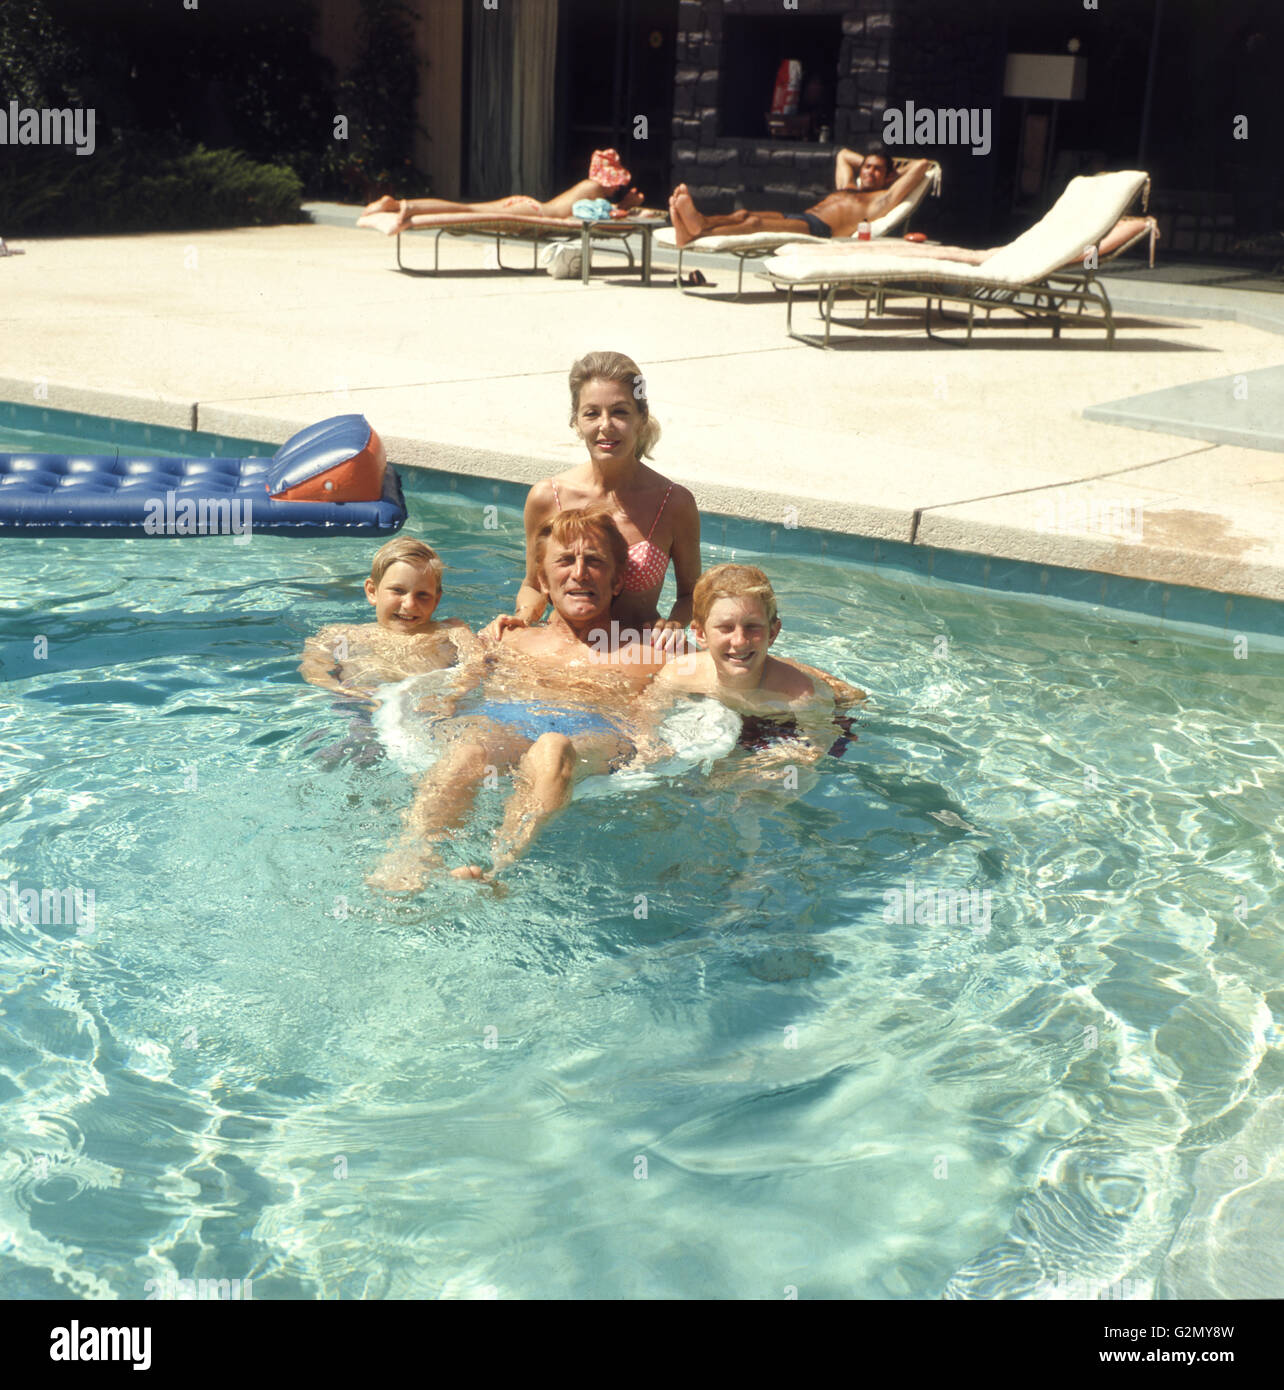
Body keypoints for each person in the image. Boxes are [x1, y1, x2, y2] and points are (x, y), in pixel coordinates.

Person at [368, 506, 675, 890]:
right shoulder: (505, 638)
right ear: (543, 581)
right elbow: (444, 675)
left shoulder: (649, 653)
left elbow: (664, 711)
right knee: (469, 751)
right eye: (564, 561)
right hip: (505, 724)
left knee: (551, 748)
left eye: (595, 561)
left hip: (595, 734)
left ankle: (499, 870)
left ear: (616, 582)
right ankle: (411, 856)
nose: (579, 572)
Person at [483, 351, 700, 653]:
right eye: (592, 413)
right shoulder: (547, 497)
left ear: (641, 419)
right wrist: (523, 617)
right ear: (576, 421)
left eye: (620, 412)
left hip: (637, 658)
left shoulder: (674, 503)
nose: (606, 425)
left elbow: (692, 594)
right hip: (564, 652)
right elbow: (534, 584)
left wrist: (675, 625)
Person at [645, 563, 865, 772]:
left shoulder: (800, 696)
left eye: (752, 627)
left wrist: (760, 767)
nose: (740, 640)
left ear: (773, 632)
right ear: (700, 634)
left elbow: (816, 747)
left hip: (785, 722)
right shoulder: (678, 675)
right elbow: (645, 718)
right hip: (739, 710)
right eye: (726, 627)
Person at [299, 536, 480, 699]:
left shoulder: (451, 631)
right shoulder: (342, 635)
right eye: (398, 591)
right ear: (372, 591)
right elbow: (314, 668)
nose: (409, 604)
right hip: (358, 707)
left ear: (436, 600)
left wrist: (455, 694)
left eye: (422, 595)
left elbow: (478, 664)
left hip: (430, 707)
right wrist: (346, 692)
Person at [667, 148, 930, 247]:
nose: (870, 171)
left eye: (877, 169)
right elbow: (843, 155)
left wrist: (892, 176)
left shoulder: (881, 198)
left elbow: (922, 165)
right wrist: (870, 162)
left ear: (888, 176)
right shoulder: (849, 185)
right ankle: (698, 222)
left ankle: (697, 232)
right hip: (804, 216)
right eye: (867, 167)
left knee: (754, 226)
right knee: (743, 214)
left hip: (819, 229)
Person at [358, 148, 645, 236]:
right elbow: (593, 216)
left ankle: (397, 204)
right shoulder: (594, 190)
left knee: (467, 209)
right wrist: (628, 204)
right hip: (534, 212)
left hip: (526, 204)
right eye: (617, 182)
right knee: (465, 211)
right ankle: (411, 209)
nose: (618, 186)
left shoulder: (589, 185)